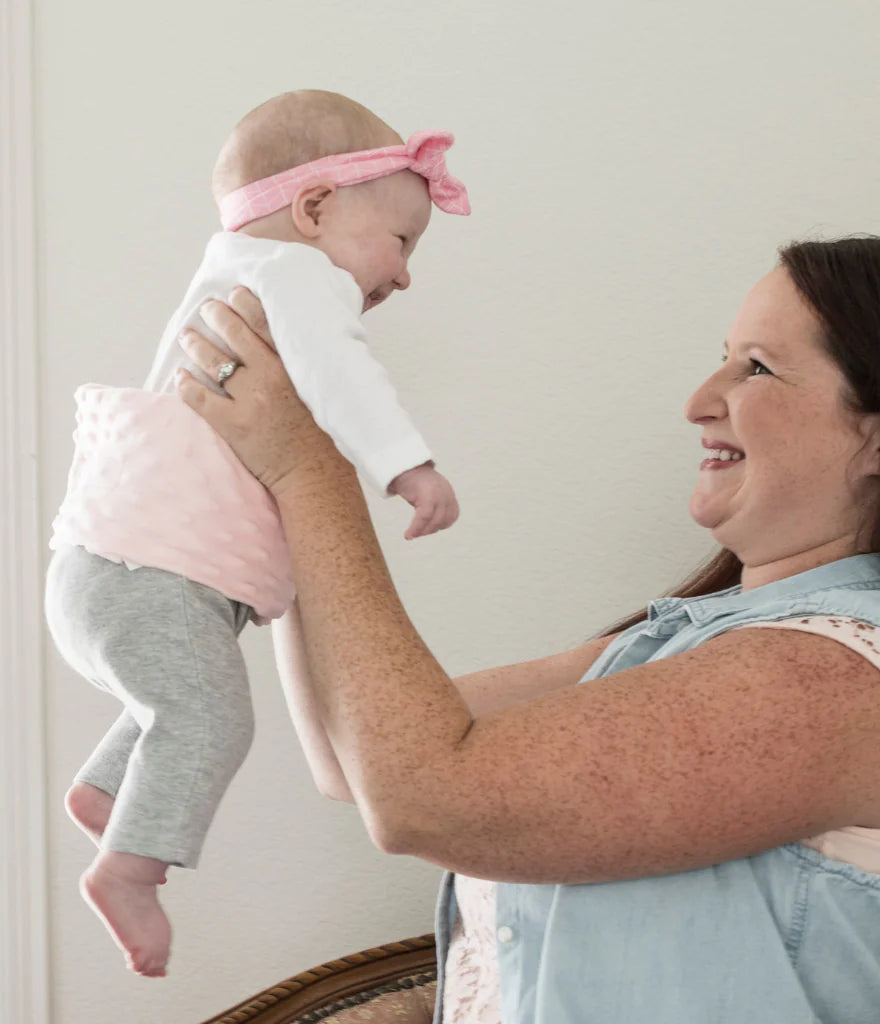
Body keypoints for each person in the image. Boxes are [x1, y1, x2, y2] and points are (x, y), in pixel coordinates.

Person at [175, 235, 880, 1022]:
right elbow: (352, 759)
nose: (699, 400)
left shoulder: (836, 674)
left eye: (755, 366)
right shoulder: (691, 646)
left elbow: (423, 795)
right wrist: (274, 479)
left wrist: (309, 468)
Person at [44, 89, 470, 977]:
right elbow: (339, 373)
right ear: (314, 210)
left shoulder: (238, 275)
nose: (403, 276)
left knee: (179, 701)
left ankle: (108, 789)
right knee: (212, 716)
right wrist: (407, 466)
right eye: (401, 242)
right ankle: (130, 868)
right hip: (144, 577)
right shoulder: (296, 276)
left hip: (116, 573)